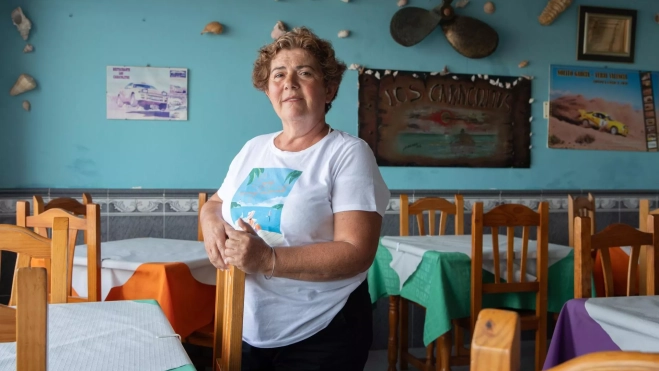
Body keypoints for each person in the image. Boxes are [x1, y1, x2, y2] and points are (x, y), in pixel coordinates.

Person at [200, 27, 390, 371]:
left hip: (323, 330)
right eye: (279, 74)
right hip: (248, 324)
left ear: (329, 87)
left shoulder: (347, 153)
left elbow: (357, 252)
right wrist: (210, 221)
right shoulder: (253, 149)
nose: (289, 82)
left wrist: (267, 259)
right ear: (268, 89)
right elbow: (215, 203)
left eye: (304, 72)